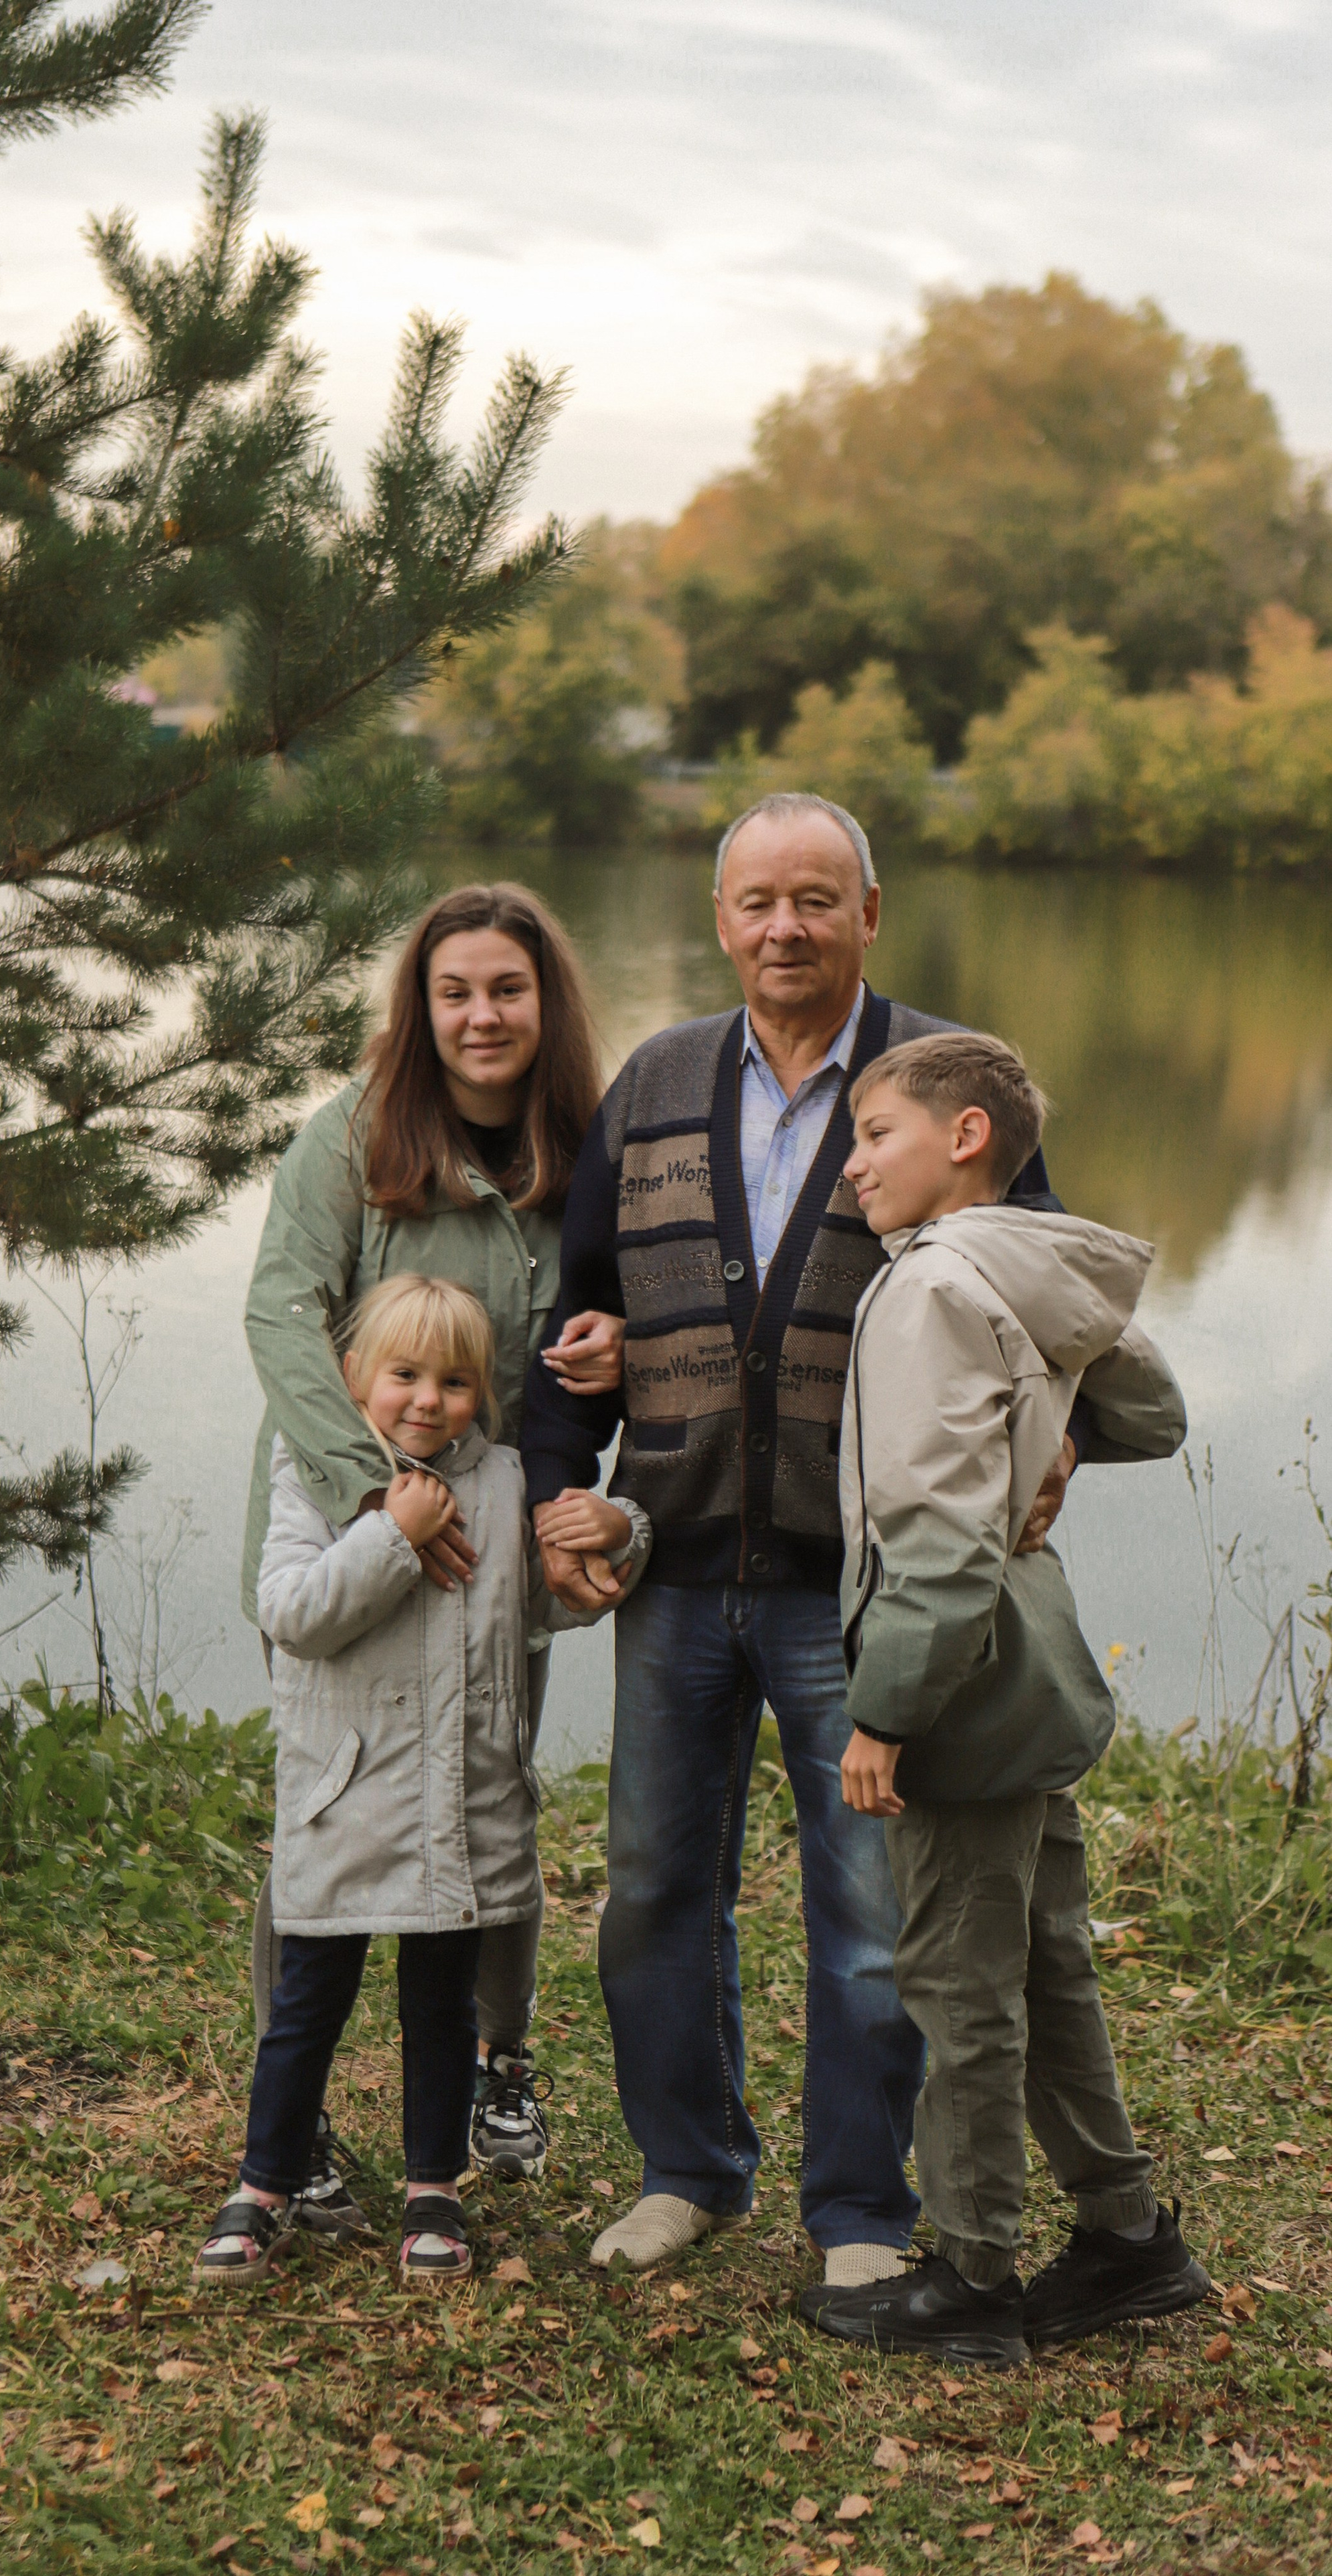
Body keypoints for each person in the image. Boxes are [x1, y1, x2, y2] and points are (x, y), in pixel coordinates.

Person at [522, 793, 1084, 2286]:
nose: (784, 926)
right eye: (757, 900)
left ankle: (854, 2210)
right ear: (719, 918)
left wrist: (1061, 1436)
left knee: (863, 1910)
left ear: (867, 914)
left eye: (815, 900)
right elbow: (568, 1318)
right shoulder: (652, 1082)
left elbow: (1046, 1297)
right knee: (649, 1885)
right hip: (674, 1559)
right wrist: (553, 1488)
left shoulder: (944, 1085)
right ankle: (686, 2171)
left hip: (863, 1591)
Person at [797, 1032, 1207, 2362]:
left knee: (957, 1983)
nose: (850, 1162)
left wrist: (883, 1712)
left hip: (965, 1686)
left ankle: (972, 2278)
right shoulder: (1023, 1265)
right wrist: (1058, 1430)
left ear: (962, 1138)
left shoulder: (927, 1288)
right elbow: (1146, 1412)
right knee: (1042, 1962)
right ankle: (1127, 2237)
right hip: (1033, 1667)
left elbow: (934, 1536)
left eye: (874, 1135)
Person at [242, 884, 626, 2229]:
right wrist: (374, 1497)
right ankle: (294, 2123)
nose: (480, 1015)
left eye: (506, 990)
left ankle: (492, 2060)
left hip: (502, 1534)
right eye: (454, 991)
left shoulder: (585, 1146)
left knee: (487, 1785)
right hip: (360, 1522)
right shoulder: (349, 1139)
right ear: (419, 1006)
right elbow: (280, 1312)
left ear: (544, 1004)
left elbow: (618, 1322)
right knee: (329, 1792)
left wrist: (608, 1371)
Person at [197, 1276, 648, 2289]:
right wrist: (390, 1533)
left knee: (442, 2010)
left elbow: (557, 1601)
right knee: (310, 2002)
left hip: (463, 1801)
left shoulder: (504, 1481)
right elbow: (294, 1612)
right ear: (355, 1378)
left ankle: (432, 2189)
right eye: (403, 1374)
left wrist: (621, 1530)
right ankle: (264, 2182)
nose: (427, 1400)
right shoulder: (315, 1473)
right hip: (345, 1800)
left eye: (454, 1381)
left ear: (482, 1393)